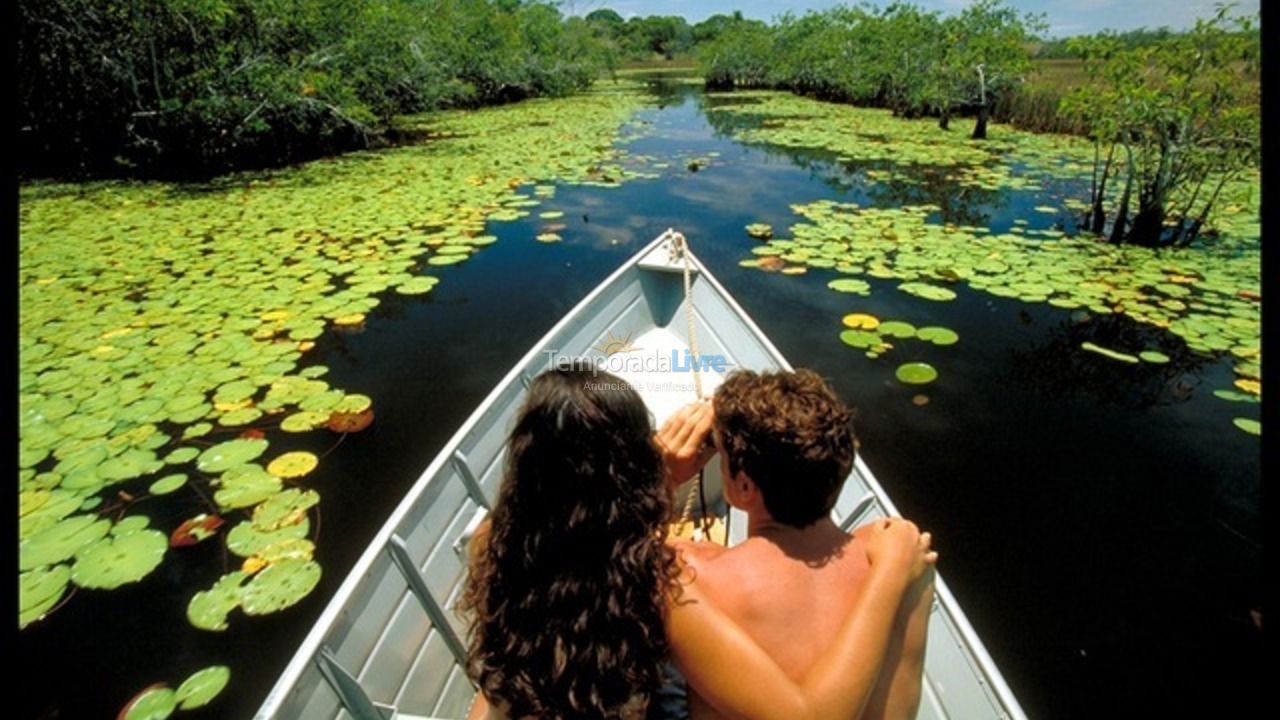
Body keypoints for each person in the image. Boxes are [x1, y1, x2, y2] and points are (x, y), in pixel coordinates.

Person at [460, 367, 935, 720]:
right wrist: (890, 574)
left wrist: (655, 480)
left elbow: (581, 536)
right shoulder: (658, 582)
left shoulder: (490, 541)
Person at [672, 369, 935, 720]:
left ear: (746, 487)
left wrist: (663, 475)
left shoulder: (691, 571)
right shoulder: (903, 555)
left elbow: (609, 556)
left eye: (719, 453)